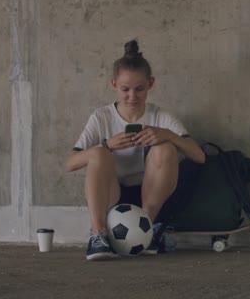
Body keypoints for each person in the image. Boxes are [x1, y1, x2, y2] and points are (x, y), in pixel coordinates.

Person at [66, 40, 205, 260]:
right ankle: (98, 235)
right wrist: (107, 145)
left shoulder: (160, 116)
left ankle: (146, 231)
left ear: (151, 83)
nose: (132, 96)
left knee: (165, 148)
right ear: (114, 84)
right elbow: (71, 162)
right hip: (113, 197)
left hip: (150, 199)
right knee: (98, 153)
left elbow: (199, 156)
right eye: (125, 89)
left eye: (139, 89)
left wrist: (166, 134)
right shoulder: (101, 117)